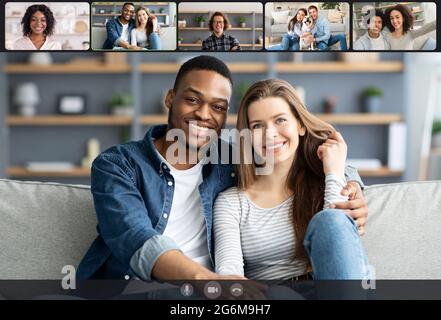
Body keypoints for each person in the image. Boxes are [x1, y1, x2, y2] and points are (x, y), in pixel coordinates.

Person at [77, 55, 368, 284]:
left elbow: (308, 157)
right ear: (170, 99)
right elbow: (136, 239)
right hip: (140, 285)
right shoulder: (118, 165)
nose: (204, 114)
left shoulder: (230, 156)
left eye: (217, 107)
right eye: (192, 100)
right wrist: (210, 281)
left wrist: (351, 185)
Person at [214, 79, 371, 281]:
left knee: (330, 220)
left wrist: (334, 172)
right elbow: (229, 274)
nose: (270, 134)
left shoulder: (326, 180)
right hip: (271, 295)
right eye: (257, 126)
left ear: (300, 125)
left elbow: (336, 236)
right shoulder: (231, 203)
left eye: (280, 120)